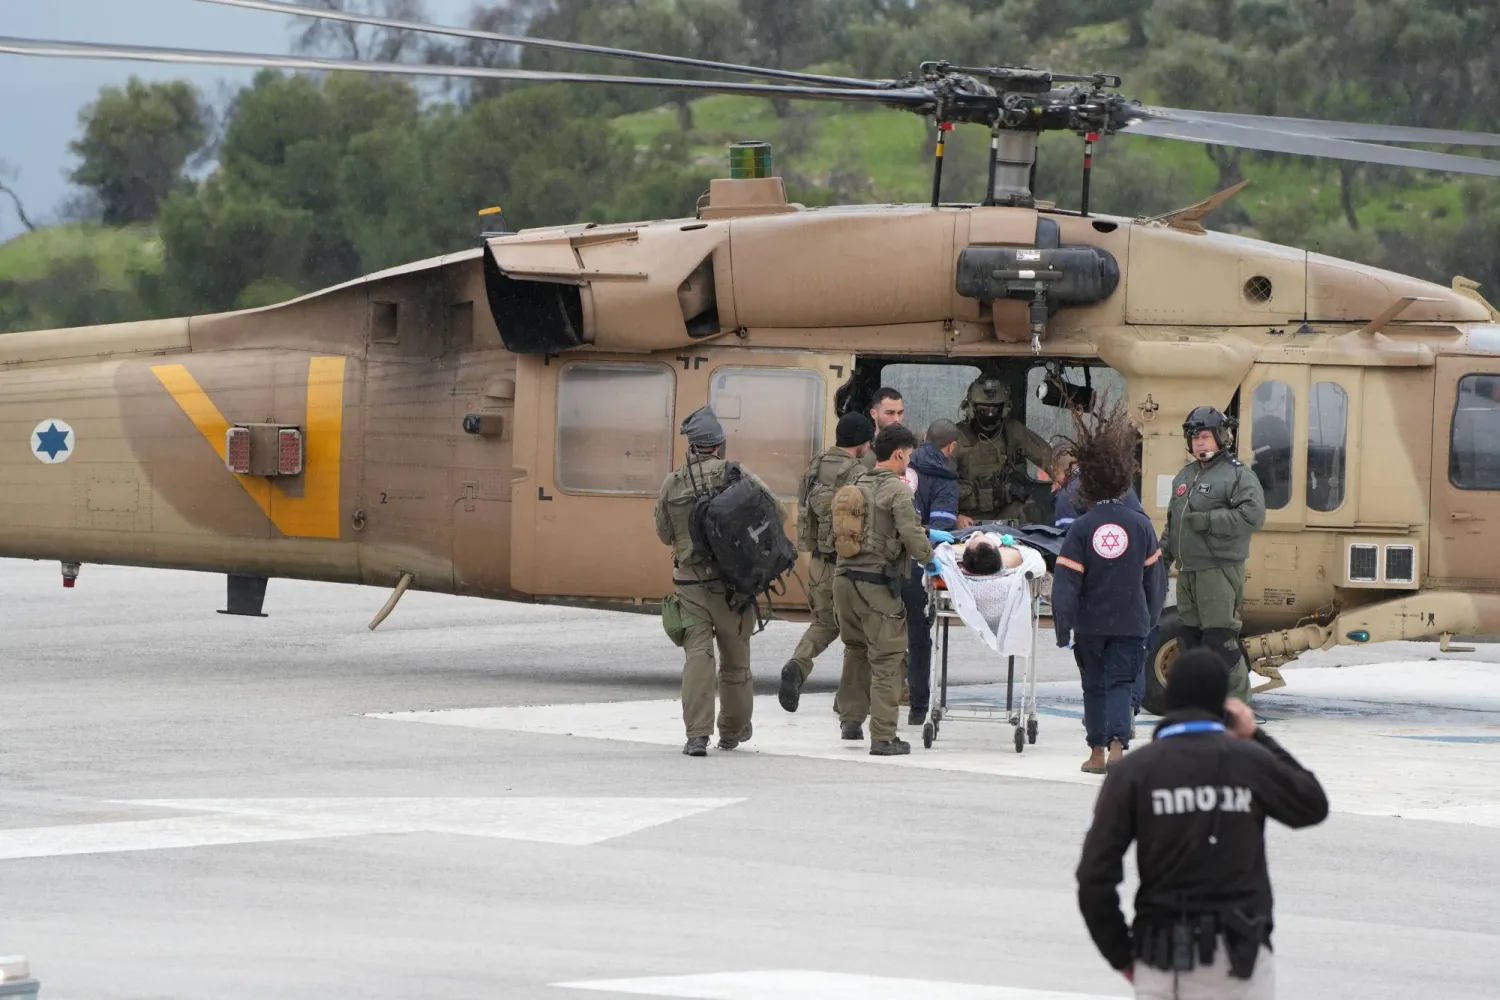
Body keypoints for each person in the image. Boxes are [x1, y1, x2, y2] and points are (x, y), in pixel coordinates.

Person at [1076, 648, 1329, 997]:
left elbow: (1093, 877)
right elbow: (1312, 804)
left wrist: (1124, 957)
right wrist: (1256, 737)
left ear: (1170, 698)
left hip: (1159, 957)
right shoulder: (1249, 762)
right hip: (1236, 959)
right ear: (1223, 704)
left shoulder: (1134, 772)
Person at [1052, 398, 1168, 773]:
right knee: (1121, 684)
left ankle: (1096, 753)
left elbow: (1066, 583)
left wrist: (1062, 625)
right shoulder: (1141, 525)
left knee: (1094, 687)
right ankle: (1119, 749)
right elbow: (1155, 580)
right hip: (1131, 622)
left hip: (1090, 624)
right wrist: (1150, 620)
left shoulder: (1082, 528)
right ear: (1123, 480)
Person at [654, 406, 776, 757]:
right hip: (733, 587)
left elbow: (663, 534)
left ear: (691, 447)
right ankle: (732, 731)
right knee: (736, 661)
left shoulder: (672, 483)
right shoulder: (737, 475)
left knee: (697, 656)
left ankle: (696, 735)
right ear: (719, 446)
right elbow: (772, 514)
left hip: (690, 585)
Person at [833, 423, 938, 756]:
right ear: (899, 454)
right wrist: (932, 561)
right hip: (875, 585)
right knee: (888, 658)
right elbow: (912, 535)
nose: (909, 460)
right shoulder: (897, 490)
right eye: (909, 455)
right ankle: (883, 736)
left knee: (855, 650)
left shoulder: (856, 481)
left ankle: (851, 722)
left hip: (843, 580)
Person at [1161, 406, 1267, 704]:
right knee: (1190, 641)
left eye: (1205, 436)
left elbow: (1253, 516)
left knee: (1220, 641)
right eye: (1194, 437)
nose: (1199, 443)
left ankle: (1234, 707)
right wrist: (1161, 559)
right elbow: (1173, 524)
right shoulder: (1185, 475)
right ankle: (1199, 704)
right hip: (1188, 571)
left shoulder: (1237, 475)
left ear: (1221, 437)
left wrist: (1209, 521)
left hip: (1218, 570)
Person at [780, 412, 875, 713]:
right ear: (862, 442)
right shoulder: (859, 471)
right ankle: (847, 701)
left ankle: (798, 663)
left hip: (819, 563)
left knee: (823, 623)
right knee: (858, 634)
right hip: (848, 565)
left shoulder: (815, 465)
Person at [902, 419, 961, 725]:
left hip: (884, 562)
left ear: (924, 438)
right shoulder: (944, 478)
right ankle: (918, 707)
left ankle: (854, 712)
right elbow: (941, 526)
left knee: (873, 638)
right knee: (918, 636)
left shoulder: (901, 464)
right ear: (950, 448)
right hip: (915, 566)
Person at [955, 375, 1053, 524]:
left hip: (1004, 514)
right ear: (971, 408)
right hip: (965, 518)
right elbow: (935, 484)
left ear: (1005, 409)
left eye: (995, 408)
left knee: (1031, 511)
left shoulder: (1012, 431)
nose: (989, 413)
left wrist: (1061, 476)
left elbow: (1049, 458)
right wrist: (954, 516)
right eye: (983, 408)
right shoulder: (955, 437)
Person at [859, 386, 906, 470]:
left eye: (900, 413)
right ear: (874, 414)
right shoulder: (863, 451)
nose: (896, 419)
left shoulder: (910, 448)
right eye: (890, 413)